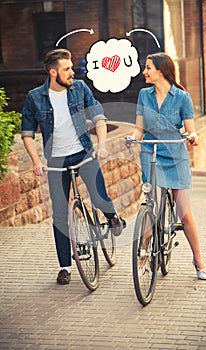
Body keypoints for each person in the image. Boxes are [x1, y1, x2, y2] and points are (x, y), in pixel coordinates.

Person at [21, 48, 123, 285]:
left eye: (72, 68)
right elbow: (27, 134)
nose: (72, 73)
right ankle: (65, 266)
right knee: (59, 213)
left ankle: (112, 216)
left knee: (98, 197)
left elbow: (98, 117)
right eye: (67, 69)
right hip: (56, 160)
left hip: (84, 153)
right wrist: (36, 161)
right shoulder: (35, 97)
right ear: (53, 72)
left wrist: (102, 145)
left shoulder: (80, 88)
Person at [131, 52, 206, 280]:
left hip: (176, 155)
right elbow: (139, 128)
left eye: (147, 68)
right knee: (149, 203)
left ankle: (198, 259)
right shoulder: (143, 95)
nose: (144, 72)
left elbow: (190, 128)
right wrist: (133, 138)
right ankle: (144, 250)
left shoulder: (182, 97)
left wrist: (192, 136)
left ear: (161, 71)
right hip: (151, 151)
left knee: (184, 213)